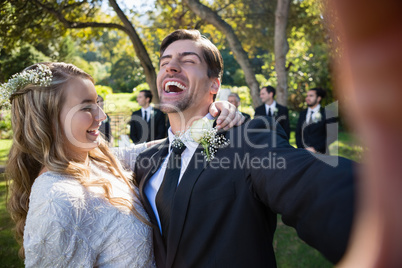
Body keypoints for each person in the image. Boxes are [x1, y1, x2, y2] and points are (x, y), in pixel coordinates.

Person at [134, 29, 356, 268]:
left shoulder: (249, 139)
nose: (171, 67)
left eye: (188, 60)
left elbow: (310, 183)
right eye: (165, 62)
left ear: (214, 84)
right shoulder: (145, 161)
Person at [2, 62, 242, 267]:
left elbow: (169, 144)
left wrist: (214, 112)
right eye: (86, 107)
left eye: (97, 103)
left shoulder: (101, 161)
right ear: (47, 118)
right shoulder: (55, 199)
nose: (101, 116)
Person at [295, 87, 337, 154]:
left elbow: (333, 135)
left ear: (318, 98)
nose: (307, 98)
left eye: (311, 96)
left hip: (321, 154)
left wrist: (315, 148)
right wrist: (301, 149)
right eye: (307, 96)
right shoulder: (302, 114)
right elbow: (298, 133)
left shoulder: (328, 114)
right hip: (303, 154)